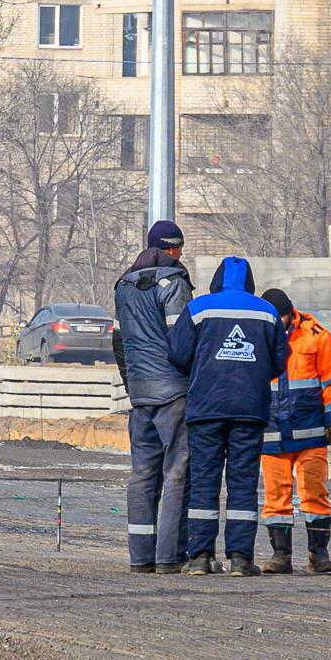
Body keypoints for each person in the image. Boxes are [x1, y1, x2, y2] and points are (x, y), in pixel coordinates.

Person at [168, 256, 281, 575]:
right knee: (243, 483)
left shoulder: (200, 308)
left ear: (217, 280)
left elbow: (176, 353)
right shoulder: (268, 312)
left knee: (204, 481)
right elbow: (280, 360)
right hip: (250, 411)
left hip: (206, 409)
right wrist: (253, 375)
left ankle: (201, 557)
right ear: (250, 282)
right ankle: (242, 560)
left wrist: (204, 371)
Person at [110, 220, 196, 573]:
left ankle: (140, 556)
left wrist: (132, 383)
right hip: (173, 392)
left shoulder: (124, 286)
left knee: (142, 474)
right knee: (178, 472)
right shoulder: (173, 284)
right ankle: (169, 556)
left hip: (140, 394)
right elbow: (182, 341)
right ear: (174, 249)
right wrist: (189, 377)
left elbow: (118, 342)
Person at [258, 287, 331, 575]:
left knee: (315, 492)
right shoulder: (255, 336)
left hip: (310, 431)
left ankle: (318, 554)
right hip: (271, 432)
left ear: (290, 313)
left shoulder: (316, 335)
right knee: (276, 495)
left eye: (281, 316)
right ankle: (281, 556)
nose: (277, 322)